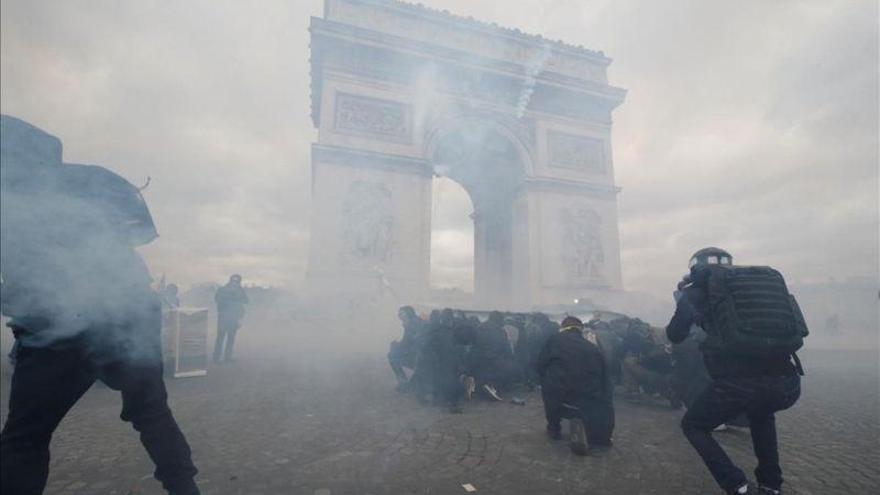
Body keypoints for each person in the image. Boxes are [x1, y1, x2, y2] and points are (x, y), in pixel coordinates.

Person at [0, 115, 199, 495]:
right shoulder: (92, 180)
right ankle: (186, 490)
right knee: (152, 414)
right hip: (127, 313)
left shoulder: (10, 199)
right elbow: (139, 235)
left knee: (24, 437)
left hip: (56, 323)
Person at [667, 247, 806, 495]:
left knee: (694, 426)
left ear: (694, 268)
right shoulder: (755, 287)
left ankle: (738, 485)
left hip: (738, 383)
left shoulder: (695, 292)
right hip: (787, 380)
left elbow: (675, 335)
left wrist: (683, 298)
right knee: (762, 415)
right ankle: (771, 485)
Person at [536, 316, 614, 456]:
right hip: (587, 397)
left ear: (563, 327)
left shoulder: (554, 340)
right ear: (580, 330)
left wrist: (543, 380)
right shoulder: (592, 348)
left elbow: (541, 364)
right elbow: (604, 376)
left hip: (560, 395)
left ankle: (554, 429)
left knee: (549, 388)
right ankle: (597, 435)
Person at [387, 306, 425, 391]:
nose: (400, 316)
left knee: (392, 356)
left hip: (419, 357)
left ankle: (403, 383)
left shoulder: (411, 325)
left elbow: (407, 343)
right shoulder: (418, 321)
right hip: (424, 356)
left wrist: (395, 345)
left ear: (408, 314)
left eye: (402, 314)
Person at [213, 274, 248, 363]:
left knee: (231, 338)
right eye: (233, 281)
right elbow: (217, 300)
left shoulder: (240, 291)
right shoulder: (223, 290)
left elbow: (246, 301)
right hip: (224, 317)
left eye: (237, 281)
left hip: (234, 317)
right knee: (220, 337)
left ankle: (227, 357)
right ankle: (217, 358)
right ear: (230, 281)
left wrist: (239, 317)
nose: (235, 283)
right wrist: (230, 300)